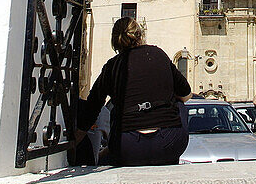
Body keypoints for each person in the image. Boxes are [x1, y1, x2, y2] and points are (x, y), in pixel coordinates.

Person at [76, 17, 192, 166]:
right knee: (178, 102)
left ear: (114, 42)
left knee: (113, 107)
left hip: (126, 146)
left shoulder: (112, 66)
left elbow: (92, 107)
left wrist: (76, 139)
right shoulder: (158, 54)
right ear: (140, 35)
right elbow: (186, 94)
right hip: (169, 143)